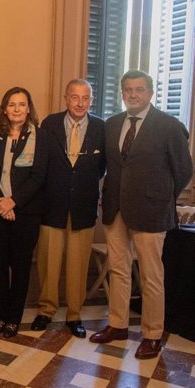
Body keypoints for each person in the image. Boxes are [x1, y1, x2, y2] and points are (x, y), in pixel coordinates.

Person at [90, 70, 192, 359]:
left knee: (151, 276)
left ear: (150, 92)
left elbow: (184, 170)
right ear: (121, 93)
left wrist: (161, 198)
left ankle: (152, 334)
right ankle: (118, 325)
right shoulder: (111, 124)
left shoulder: (169, 125)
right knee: (119, 270)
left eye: (139, 89)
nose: (133, 94)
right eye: (127, 90)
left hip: (151, 211)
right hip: (115, 208)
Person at [31, 79, 105, 338]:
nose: (80, 103)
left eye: (85, 98)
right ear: (65, 98)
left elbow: (101, 168)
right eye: (75, 97)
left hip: (83, 208)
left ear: (91, 101)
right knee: (48, 262)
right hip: (52, 206)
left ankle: (74, 315)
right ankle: (46, 310)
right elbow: (40, 163)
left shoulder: (101, 128)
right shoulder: (50, 124)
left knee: (77, 264)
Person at [0, 87, 48, 338]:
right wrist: (0, 201)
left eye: (21, 104)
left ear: (29, 108)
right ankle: (1, 316)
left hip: (25, 212)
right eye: (11, 104)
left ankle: (13, 319)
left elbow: (39, 176)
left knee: (20, 267)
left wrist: (13, 202)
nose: (16, 109)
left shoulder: (40, 137)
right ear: (4, 109)